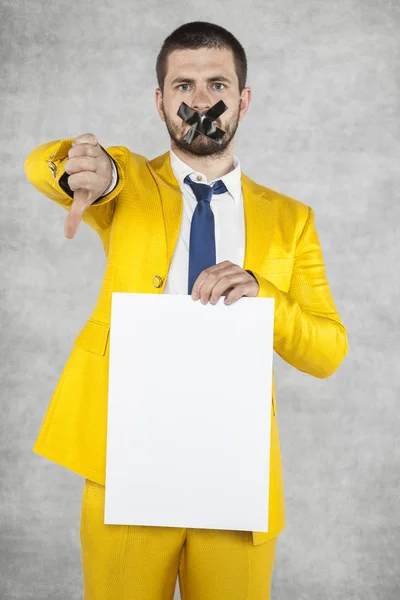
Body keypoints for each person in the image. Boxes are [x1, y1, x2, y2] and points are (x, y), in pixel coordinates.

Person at [24, 20, 348, 600]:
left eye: (217, 84)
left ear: (243, 100)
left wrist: (262, 293)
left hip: (235, 469)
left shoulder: (290, 219)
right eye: (183, 86)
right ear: (160, 101)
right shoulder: (127, 186)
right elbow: (43, 166)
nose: (201, 100)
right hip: (126, 460)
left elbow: (328, 351)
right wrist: (89, 171)